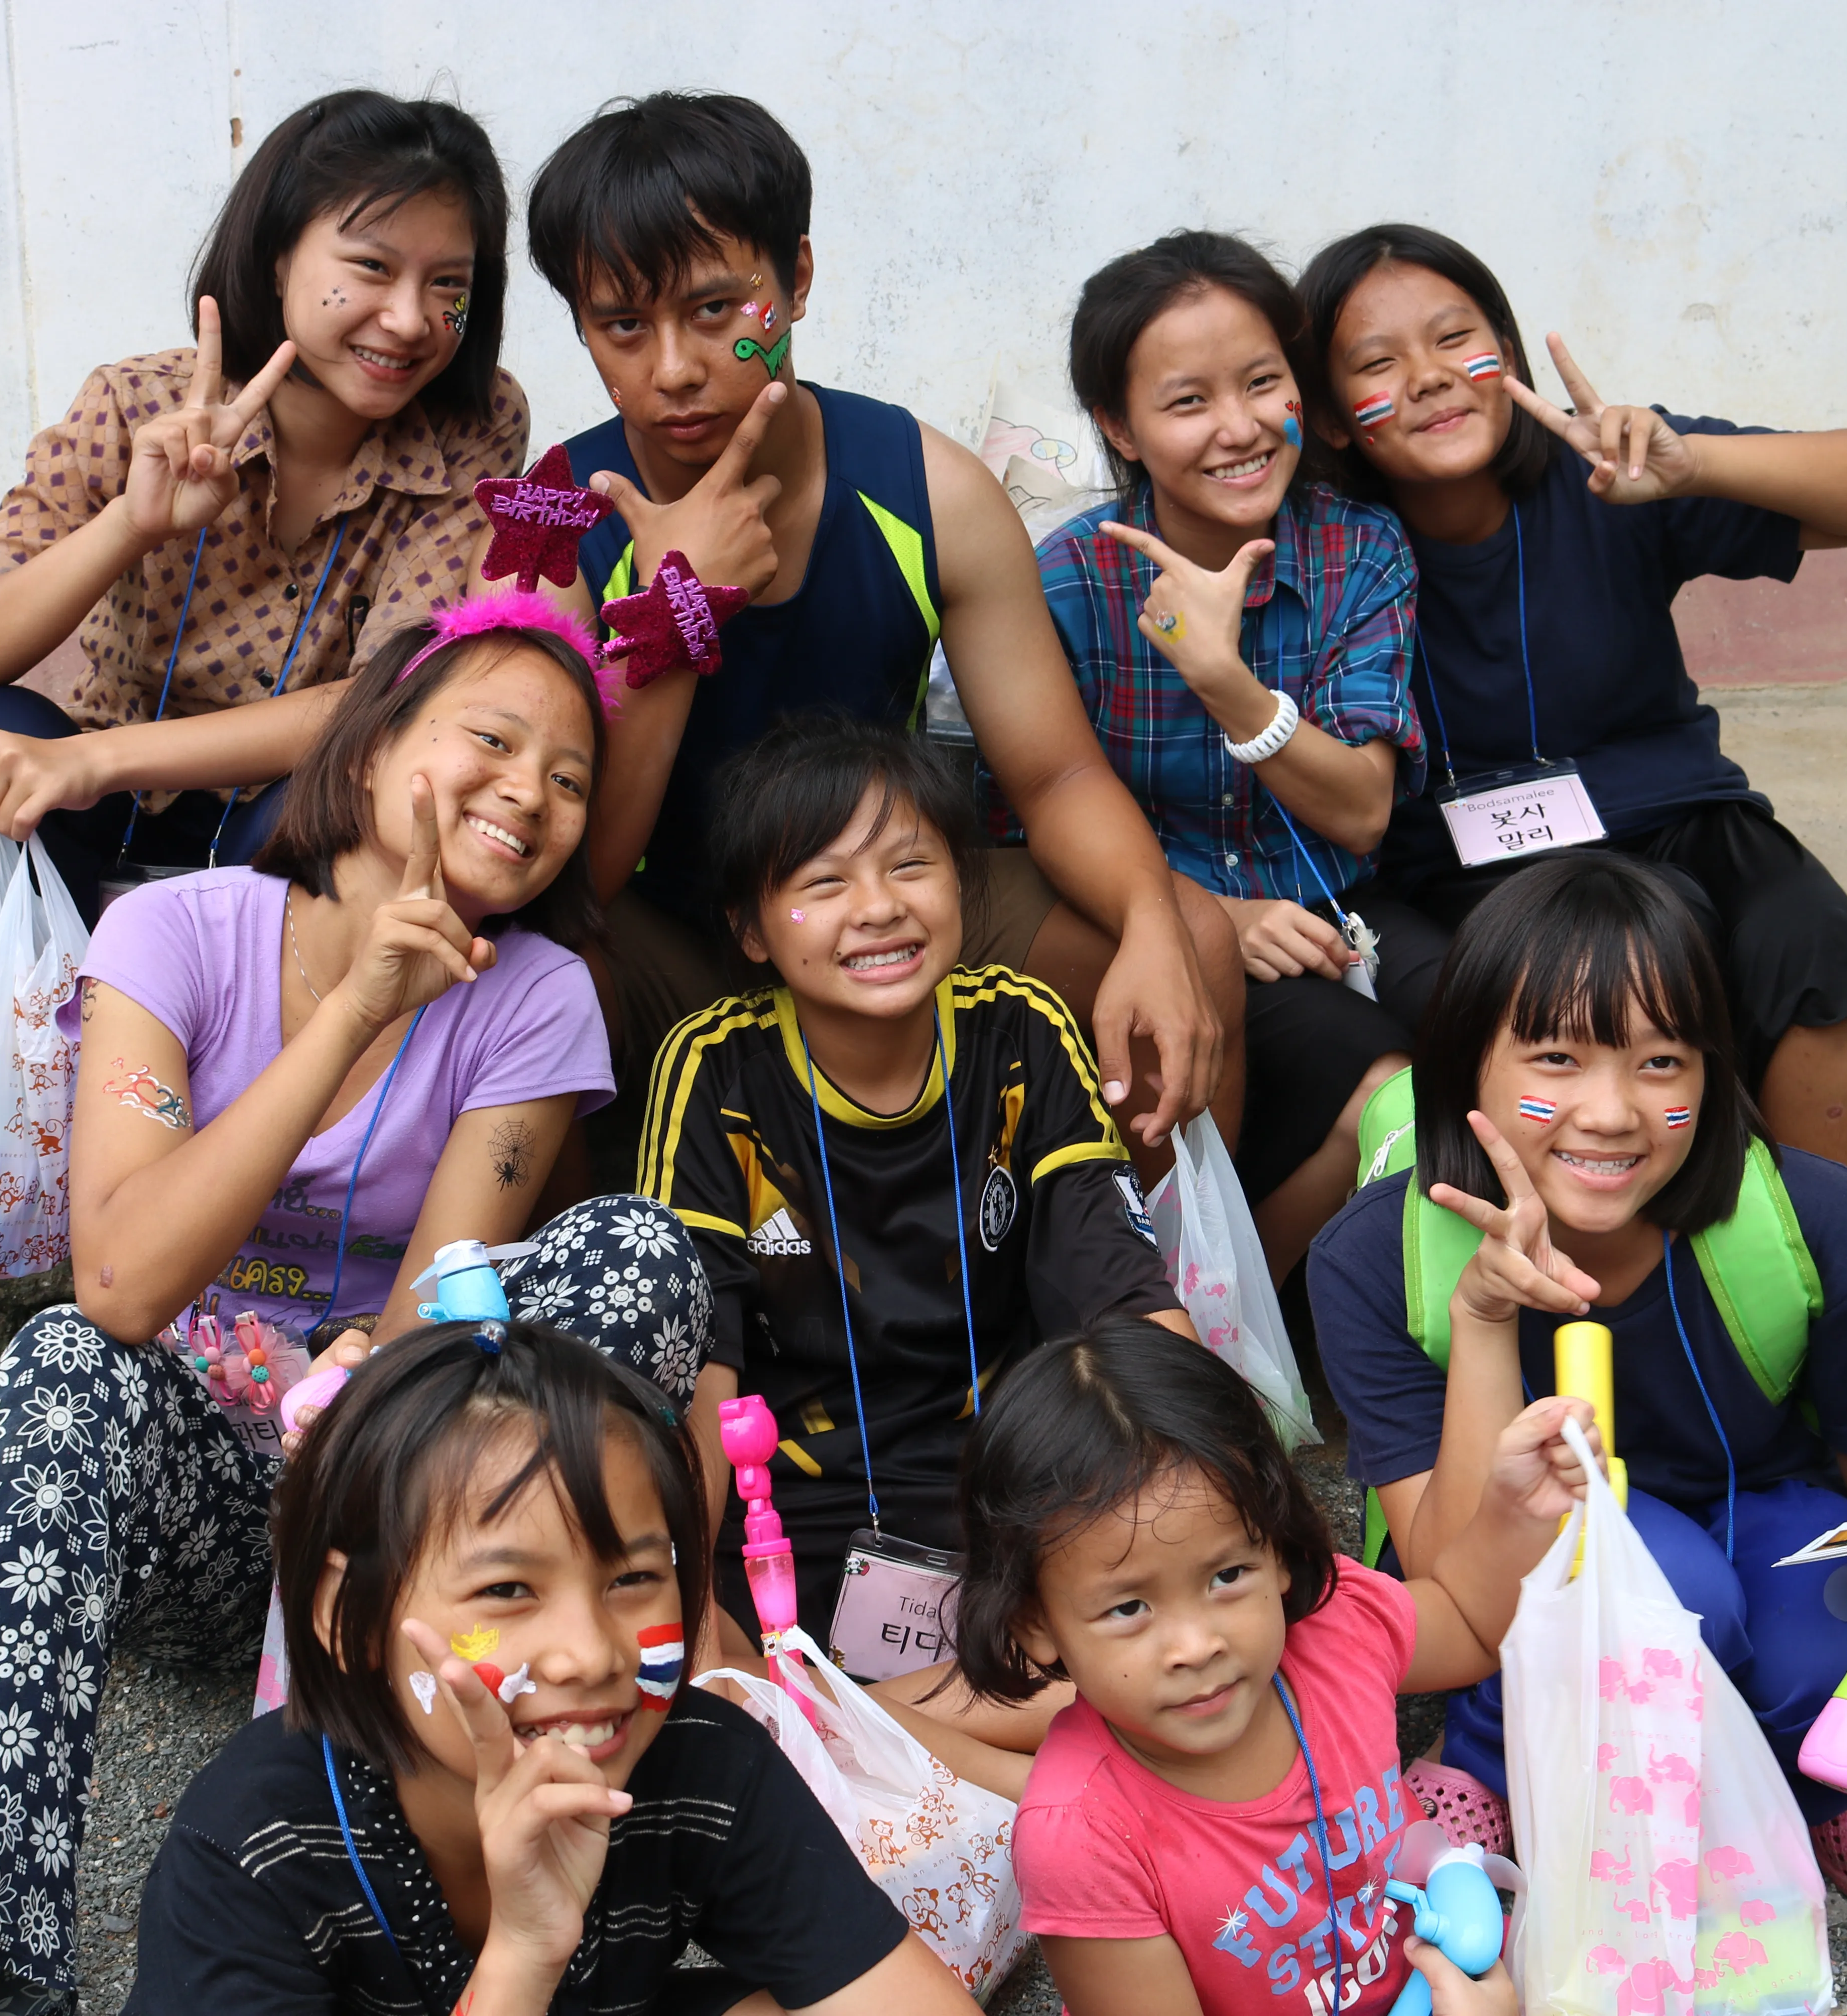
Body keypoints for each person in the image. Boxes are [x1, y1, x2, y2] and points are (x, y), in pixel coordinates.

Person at [0, 604, 716, 2015]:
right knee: (59, 1366)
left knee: (633, 1249)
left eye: (569, 778)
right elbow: (123, 1283)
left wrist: (371, 1390)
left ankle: (500, 1834)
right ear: (370, 746)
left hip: (404, 1536)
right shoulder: (171, 932)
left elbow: (450, 1322)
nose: (531, 794)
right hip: (209, 1492)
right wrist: (356, 1007)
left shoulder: (541, 996)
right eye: (492, 743)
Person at [523, 91, 1236, 1154]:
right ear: (581, 325)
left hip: (881, 897)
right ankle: (565, 1311)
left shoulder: (928, 489)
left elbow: (1056, 777)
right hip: (661, 927)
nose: (671, 367)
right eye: (624, 326)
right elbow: (581, 867)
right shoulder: (551, 509)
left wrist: (1148, 925)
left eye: (718, 311)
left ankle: (1159, 1303)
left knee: (1191, 934)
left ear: (796, 280)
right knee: (530, 968)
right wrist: (678, 612)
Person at [1306, 852, 1847, 1921]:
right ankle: (1487, 1754)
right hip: (1513, 1547)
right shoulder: (1371, 1257)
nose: (1613, 1111)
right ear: (1463, 1064)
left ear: (1714, 1073)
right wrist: (1484, 1316)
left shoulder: (1813, 1215)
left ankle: (1816, 1781)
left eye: (1661, 1060)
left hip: (1763, 1508)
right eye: (1557, 1057)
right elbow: (1443, 1568)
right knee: (1676, 1610)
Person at [1294, 223, 1847, 1222]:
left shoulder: (1603, 466)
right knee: (1544, 1015)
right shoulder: (1323, 549)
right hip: (1448, 871)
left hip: (1673, 818)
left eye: (1455, 338)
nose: (1427, 378)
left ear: (1506, 355)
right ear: (1335, 418)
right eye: (1377, 363)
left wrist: (1698, 468)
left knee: (1809, 953)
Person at [124, 1318, 979, 2014]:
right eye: (506, 1590)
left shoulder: (702, 1771)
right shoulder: (252, 1848)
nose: (590, 1654)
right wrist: (525, 1953)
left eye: (635, 1578)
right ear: (349, 1616)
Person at [637, 718, 1192, 1718]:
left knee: (1150, 1650)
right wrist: (680, 1601)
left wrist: (1214, 1502)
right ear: (754, 929)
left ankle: (877, 1727)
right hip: (789, 1502)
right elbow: (696, 1354)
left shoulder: (1017, 1029)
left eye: (910, 865)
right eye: (824, 882)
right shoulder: (717, 1068)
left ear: (960, 881)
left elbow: (1120, 1284)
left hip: (1012, 1478)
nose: (880, 908)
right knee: (722, 1692)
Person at [0, 90, 530, 926]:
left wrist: (97, 760)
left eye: (449, 284)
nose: (411, 321)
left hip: (282, 814)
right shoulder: (131, 406)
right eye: (371, 268)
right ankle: (45, 1025)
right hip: (100, 815)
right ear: (276, 258)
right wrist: (133, 525)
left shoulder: (473, 425)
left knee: (380, 799)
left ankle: (267, 1035)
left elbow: (392, 700)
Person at [953, 1320, 1590, 2016]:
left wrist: (1517, 1512)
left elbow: (1468, 1624)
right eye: (1129, 1607)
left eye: (1227, 1574)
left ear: (1279, 1550)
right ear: (1035, 1624)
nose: (1196, 1645)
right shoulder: (1083, 1841)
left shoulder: (1331, 1632)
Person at [1027, 230, 1429, 1268]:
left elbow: (1362, 810)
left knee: (1470, 1062)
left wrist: (1224, 680)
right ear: (1120, 424)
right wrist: (1217, 913)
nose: (1242, 428)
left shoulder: (1358, 548)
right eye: (1189, 400)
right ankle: (1216, 1333)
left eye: (1263, 383)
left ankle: (1267, 1332)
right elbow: (1018, 823)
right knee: (1385, 1087)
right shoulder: (1068, 585)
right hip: (1162, 933)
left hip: (1345, 924)